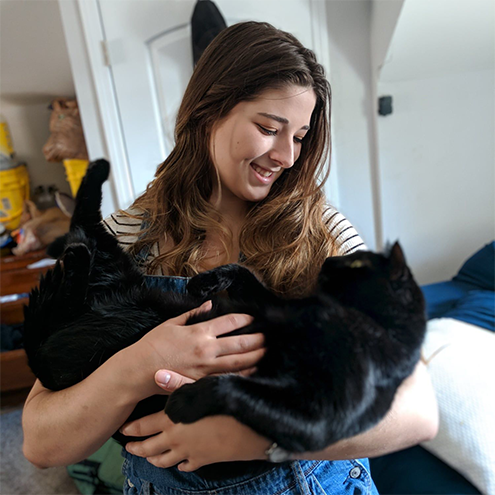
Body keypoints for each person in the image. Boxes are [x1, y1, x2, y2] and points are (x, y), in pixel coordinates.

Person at [22, 21, 438, 494]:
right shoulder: (124, 240)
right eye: (268, 128)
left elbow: (419, 411)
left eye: (300, 137)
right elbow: (40, 441)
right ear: (207, 113)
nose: (286, 155)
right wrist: (142, 364)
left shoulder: (325, 235)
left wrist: (261, 439)